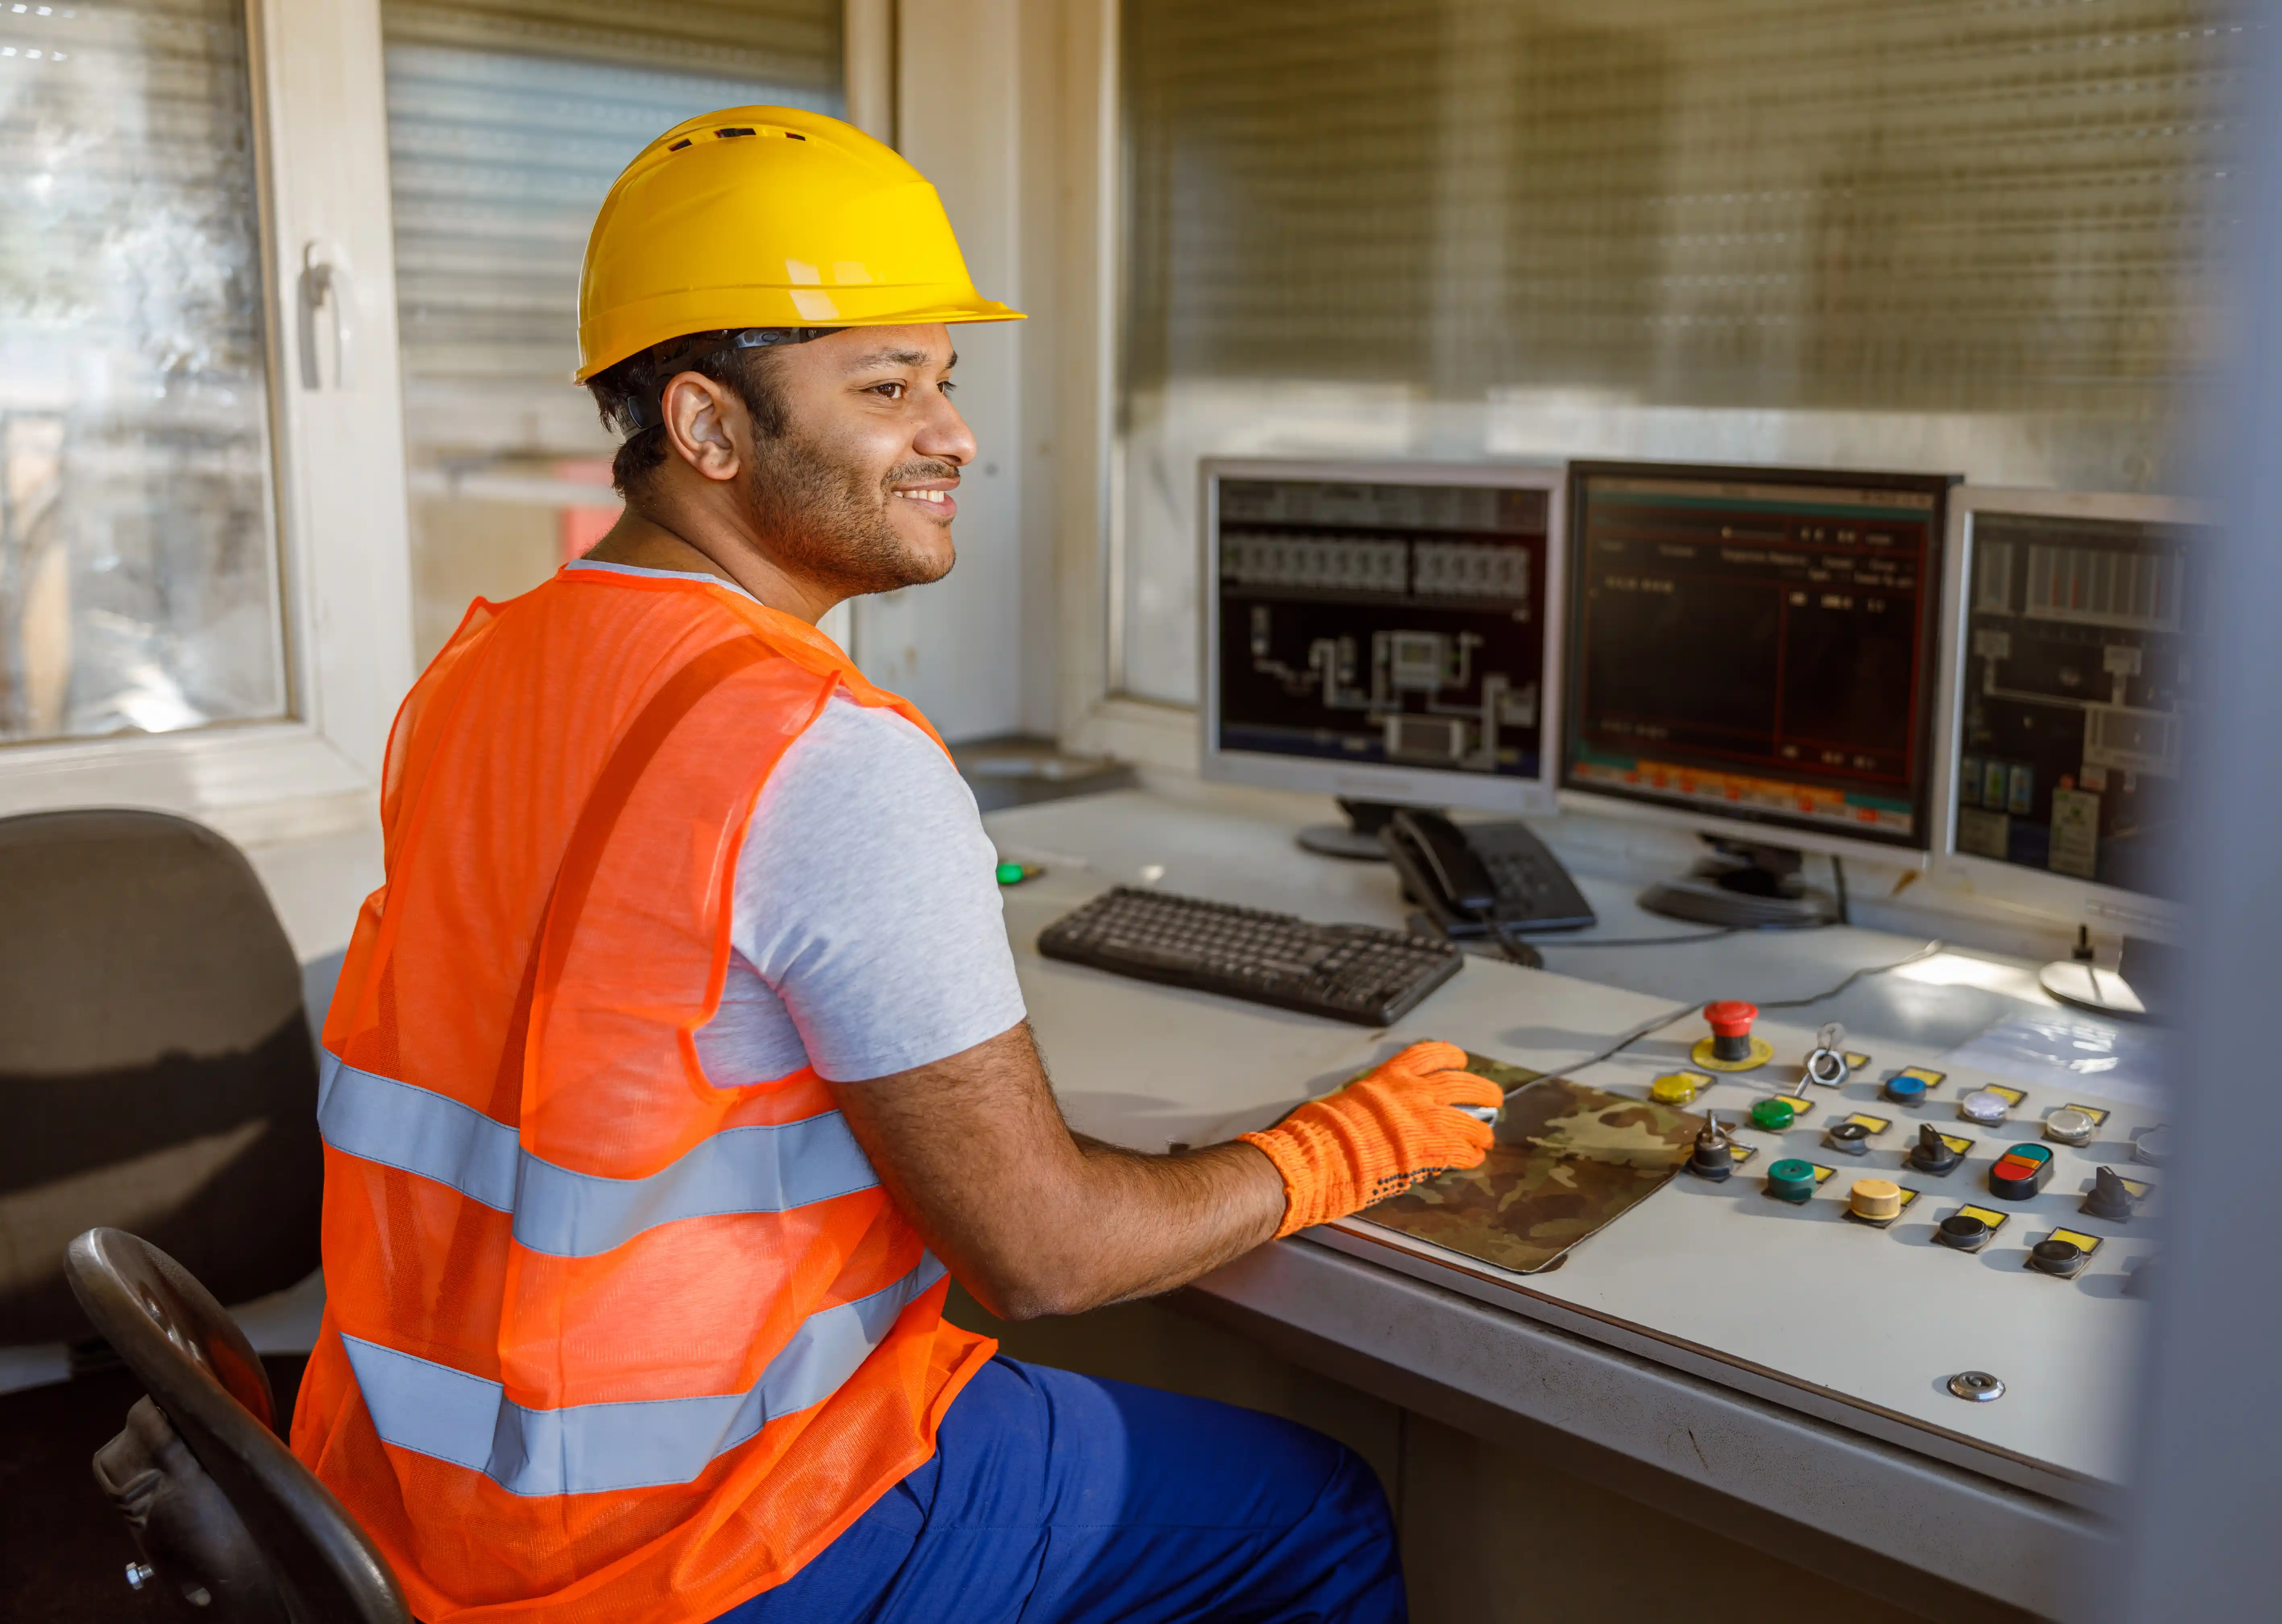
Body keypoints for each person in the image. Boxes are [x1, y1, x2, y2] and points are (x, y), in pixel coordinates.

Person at [290, 108, 1502, 1624]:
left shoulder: (474, 676)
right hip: (712, 1534)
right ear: (707, 429)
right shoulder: (823, 750)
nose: (956, 434)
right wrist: (1342, 1151)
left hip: (434, 1495)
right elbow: (1044, 1255)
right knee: (1319, 1517)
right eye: (886, 386)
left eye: (945, 379)